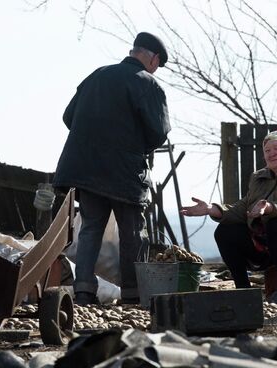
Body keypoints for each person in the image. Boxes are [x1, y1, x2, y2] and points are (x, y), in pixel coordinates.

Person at [53, 32, 171, 305]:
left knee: (91, 228)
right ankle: (131, 294)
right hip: (124, 172)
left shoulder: (96, 76)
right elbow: (158, 133)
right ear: (152, 58)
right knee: (132, 232)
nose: (155, 69)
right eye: (157, 64)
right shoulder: (147, 84)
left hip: (86, 168)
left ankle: (83, 291)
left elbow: (68, 117)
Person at [181, 130, 277, 303]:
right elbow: (244, 208)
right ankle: (244, 291)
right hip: (274, 245)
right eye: (267, 150)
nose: (271, 153)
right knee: (225, 231)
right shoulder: (260, 177)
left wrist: (271, 207)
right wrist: (212, 209)